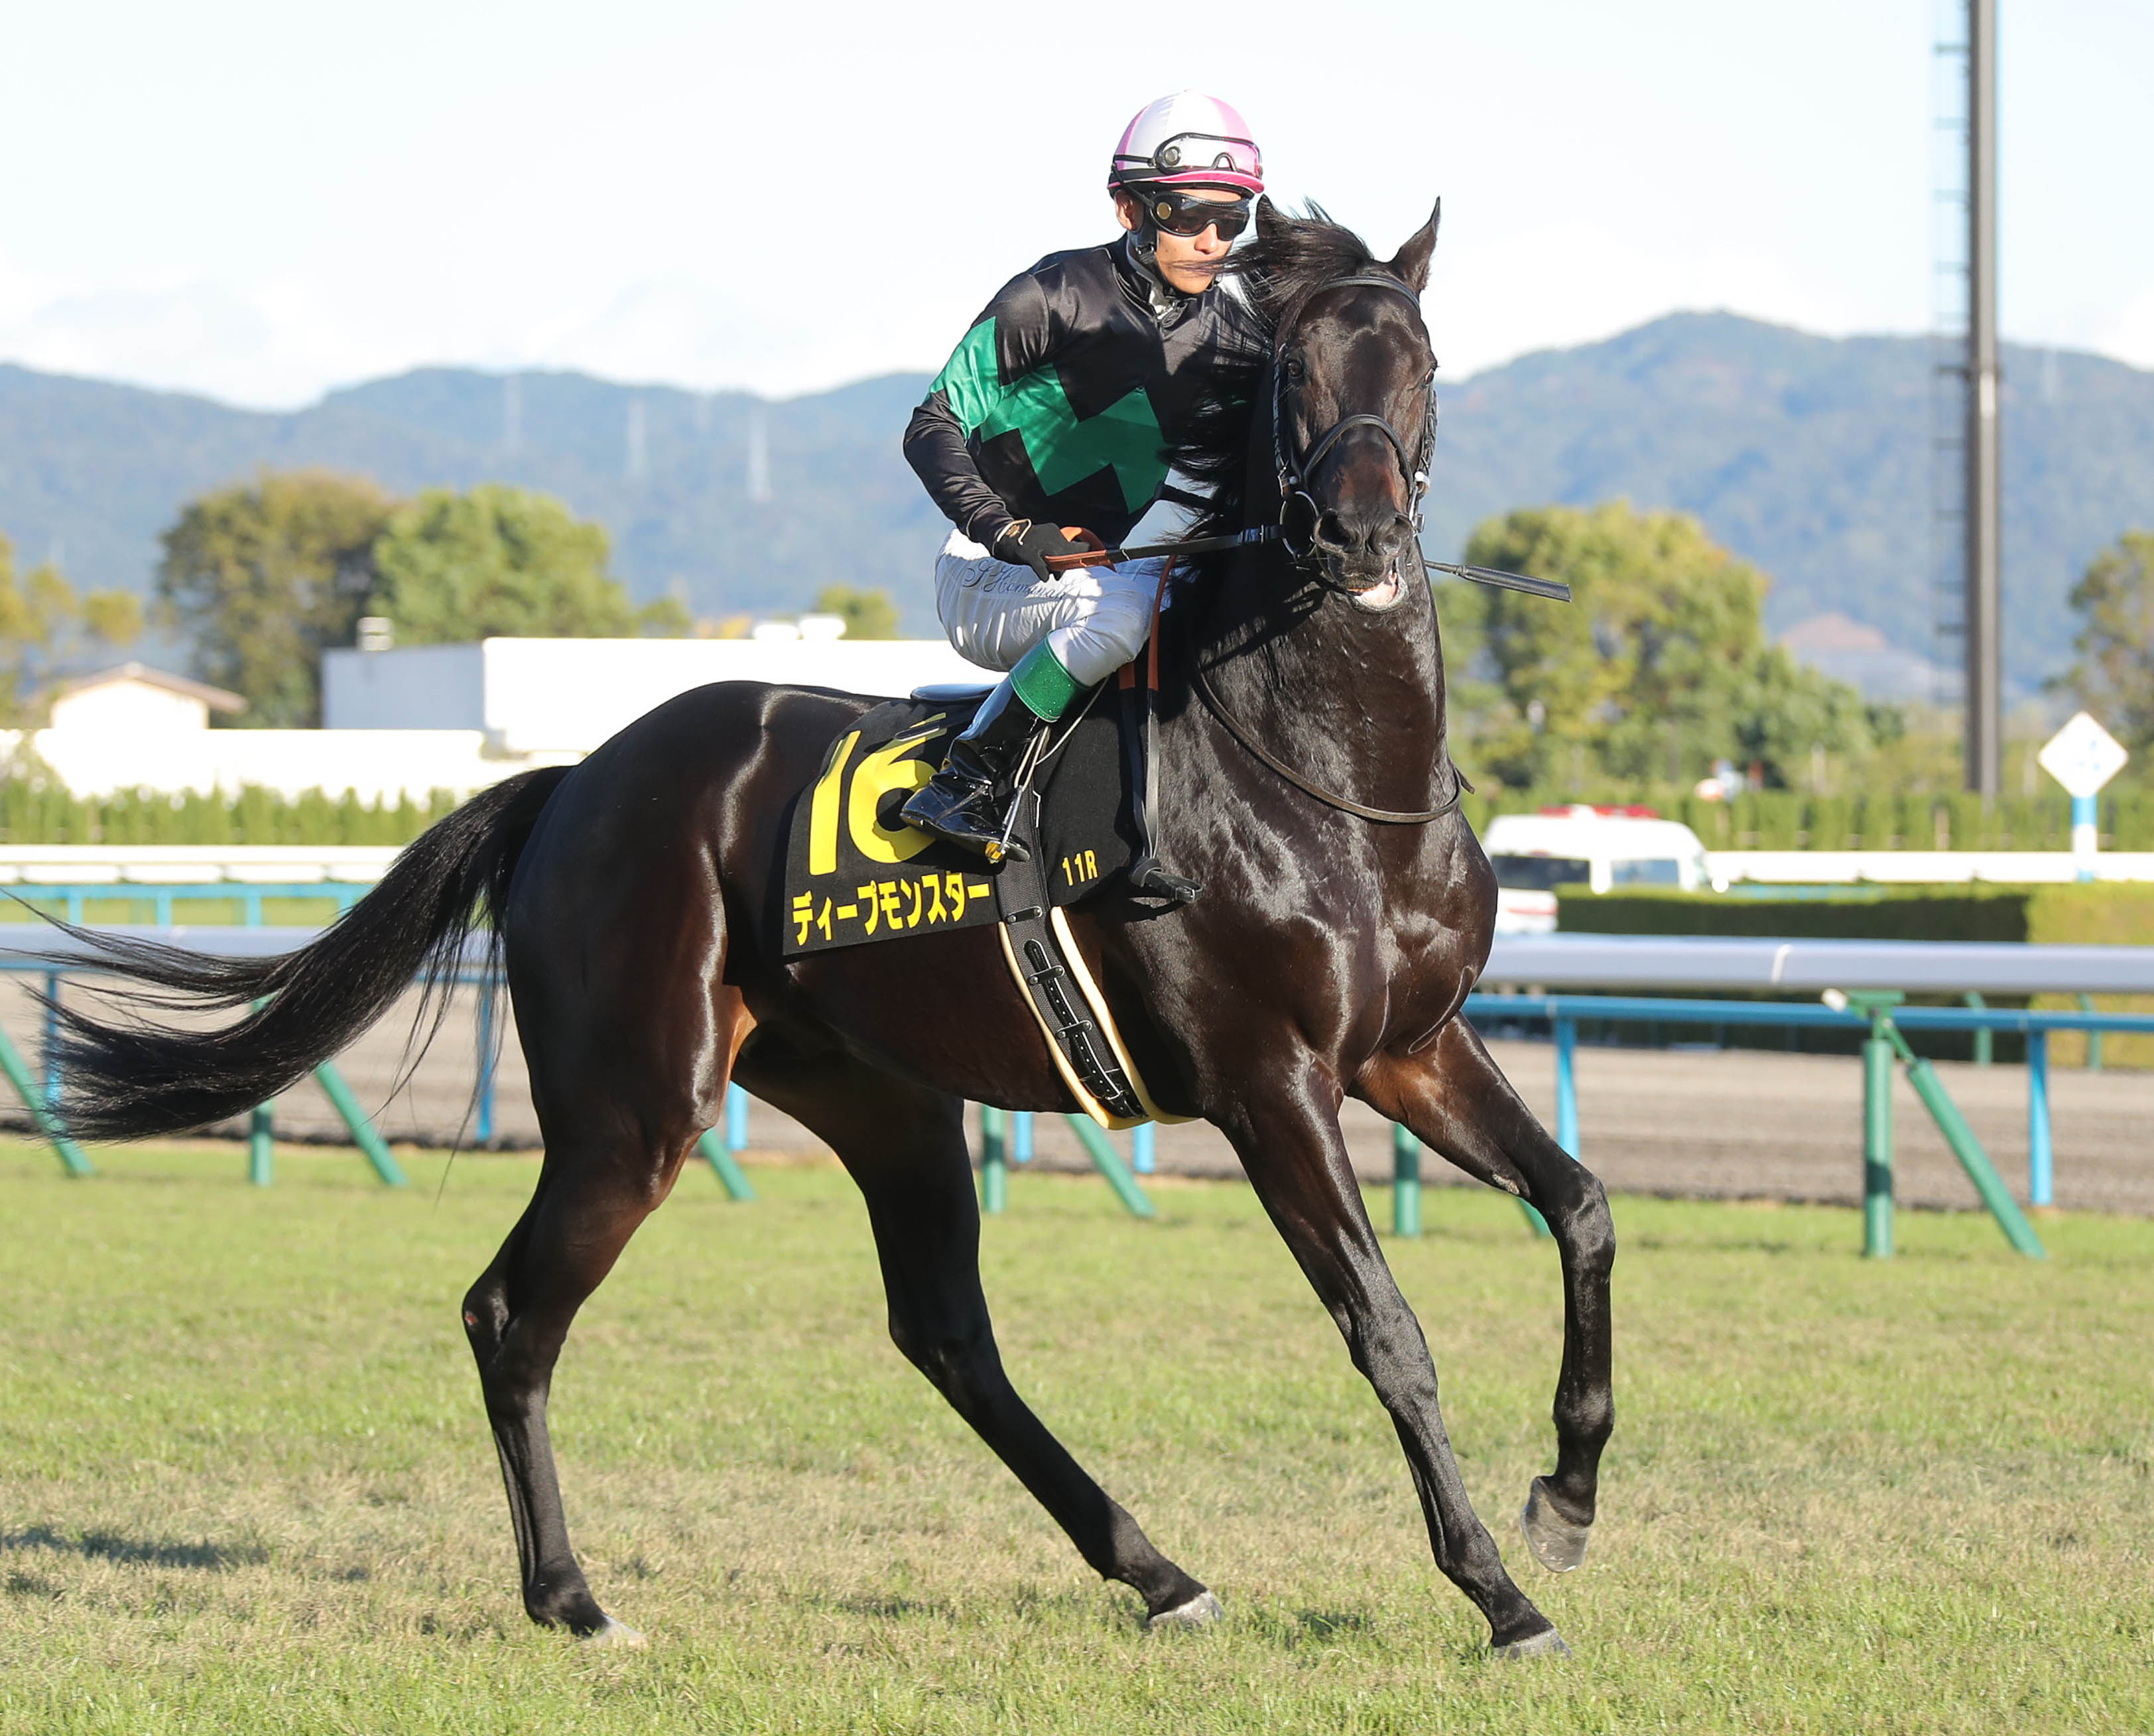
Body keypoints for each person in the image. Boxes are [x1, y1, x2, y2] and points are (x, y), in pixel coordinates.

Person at [898, 90, 1267, 861]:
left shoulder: (1232, 340)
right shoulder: (1053, 295)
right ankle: (969, 775)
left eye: (1230, 220)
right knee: (1124, 612)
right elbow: (931, 426)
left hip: (1103, 572)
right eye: (1185, 215)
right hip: (986, 572)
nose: (1210, 241)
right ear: (1129, 209)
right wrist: (1007, 530)